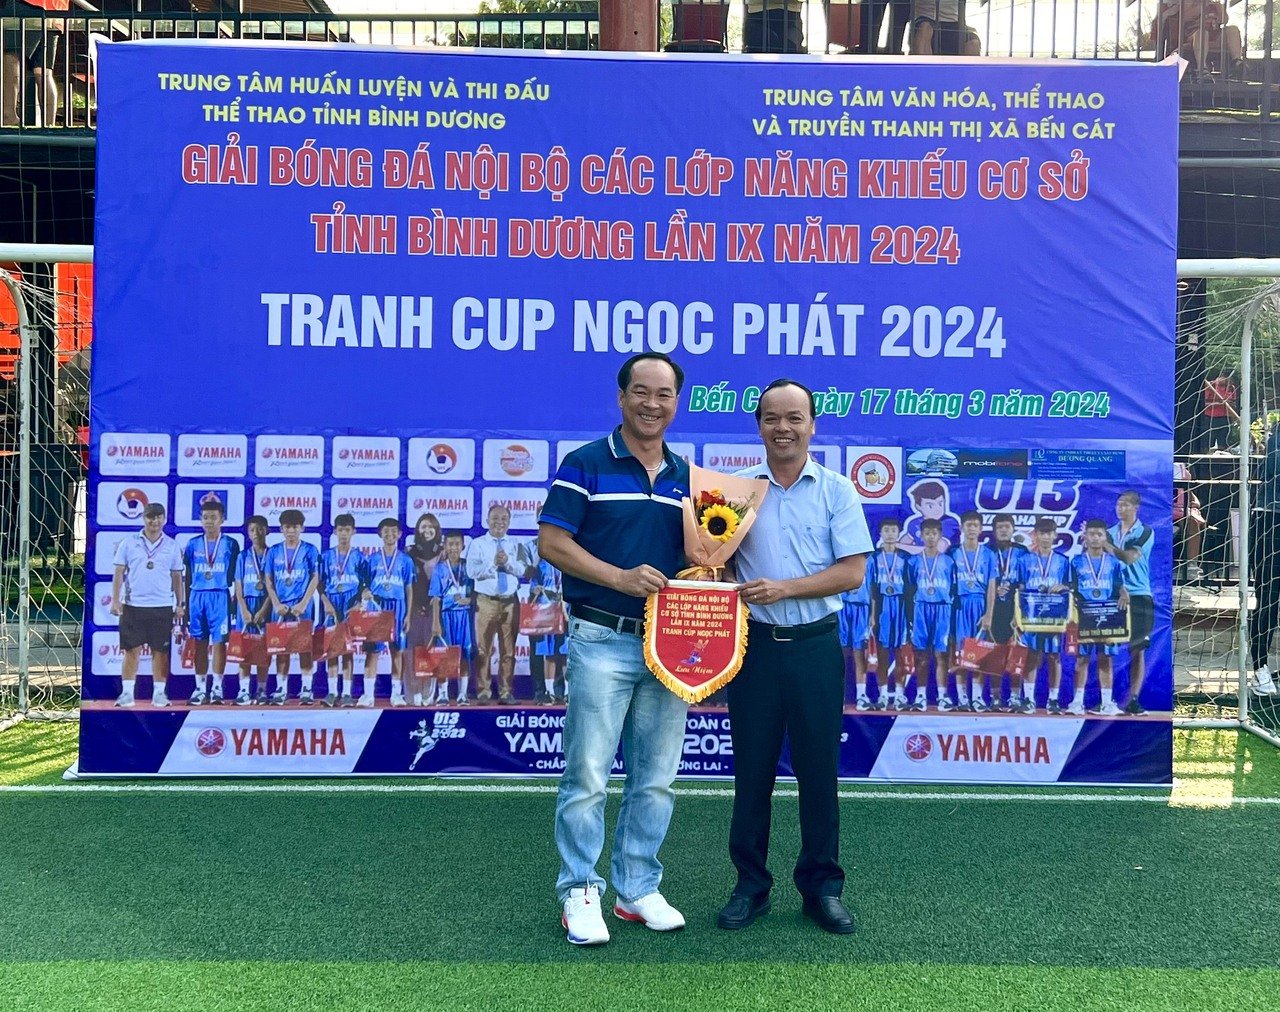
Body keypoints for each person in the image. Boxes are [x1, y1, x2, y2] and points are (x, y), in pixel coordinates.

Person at [539, 351, 691, 946]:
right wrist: (619, 578)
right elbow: (553, 542)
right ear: (622, 397)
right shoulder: (586, 463)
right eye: (641, 392)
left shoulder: (687, 477)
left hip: (669, 646)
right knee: (588, 777)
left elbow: (701, 559)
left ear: (676, 402)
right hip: (601, 637)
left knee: (656, 779)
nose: (653, 404)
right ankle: (580, 890)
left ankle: (636, 888)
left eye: (664, 394)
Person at [717, 378, 872, 936]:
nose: (782, 428)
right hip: (754, 650)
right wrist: (714, 577)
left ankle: (822, 888)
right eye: (771, 418)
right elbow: (717, 563)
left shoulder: (836, 491)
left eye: (793, 418)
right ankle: (750, 887)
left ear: (812, 425)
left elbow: (851, 573)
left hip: (814, 647)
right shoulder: (735, 493)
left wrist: (784, 588)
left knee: (818, 772)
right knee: (752, 772)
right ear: (758, 426)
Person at [111, 502, 184, 707]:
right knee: (131, 650)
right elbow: (118, 573)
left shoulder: (172, 545)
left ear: (164, 519)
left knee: (160, 652)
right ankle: (127, 693)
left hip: (162, 605)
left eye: (159, 517)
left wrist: (180, 603)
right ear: (144, 518)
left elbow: (177, 576)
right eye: (151, 517)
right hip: (133, 604)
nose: (155, 521)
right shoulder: (129, 543)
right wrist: (115, 600)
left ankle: (159, 693)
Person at [1071, 519, 1131, 716]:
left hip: (1107, 617)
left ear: (1105, 538)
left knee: (1105, 659)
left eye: (1099, 534)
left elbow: (1119, 586)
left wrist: (1123, 593)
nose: (1095, 538)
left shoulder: (1113, 563)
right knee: (1082, 659)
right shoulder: (1076, 562)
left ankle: (1106, 703)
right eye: (1092, 534)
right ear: (1085, 537)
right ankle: (1077, 702)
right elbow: (1071, 587)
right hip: (1085, 616)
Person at [183, 496, 239, 706]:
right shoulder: (192, 544)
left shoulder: (231, 544)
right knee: (199, 642)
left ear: (222, 519)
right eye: (205, 517)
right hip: (197, 595)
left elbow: (236, 576)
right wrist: (185, 604)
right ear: (200, 519)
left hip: (220, 595)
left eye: (213, 517)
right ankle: (199, 688)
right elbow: (187, 575)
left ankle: (216, 687)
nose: (209, 521)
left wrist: (234, 600)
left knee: (219, 643)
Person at [467, 503, 524, 705]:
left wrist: (507, 562)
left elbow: (522, 570)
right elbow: (471, 572)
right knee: (483, 649)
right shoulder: (477, 544)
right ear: (487, 521)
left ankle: (506, 692)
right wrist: (493, 563)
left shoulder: (516, 544)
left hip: (510, 601)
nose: (499, 522)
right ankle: (483, 692)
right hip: (486, 601)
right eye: (495, 518)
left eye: (504, 519)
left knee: (508, 651)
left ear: (509, 522)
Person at [263, 508, 320, 705]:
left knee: (305, 648)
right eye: (287, 527)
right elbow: (268, 579)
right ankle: (281, 688)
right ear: (281, 528)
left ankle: (307, 688)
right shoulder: (274, 551)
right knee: (281, 648)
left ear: (302, 528)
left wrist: (303, 603)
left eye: (295, 527)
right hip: (280, 606)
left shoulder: (310, 550)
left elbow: (315, 578)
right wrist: (276, 603)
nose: (291, 531)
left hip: (302, 606)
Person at [1015, 518, 1072, 714]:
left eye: (1049, 533)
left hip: (1053, 616)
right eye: (1042, 533)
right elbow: (1020, 588)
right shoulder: (1024, 560)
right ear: (1035, 535)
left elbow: (1069, 586)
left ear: (1055, 535)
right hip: (1031, 616)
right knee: (1031, 655)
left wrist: (1063, 586)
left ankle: (1053, 700)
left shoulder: (1063, 561)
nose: (1045, 537)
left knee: (1054, 656)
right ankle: (1028, 699)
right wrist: (1017, 616)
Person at [1106, 492, 1156, 713]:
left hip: (1139, 594)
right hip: (1112, 594)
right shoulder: (1108, 532)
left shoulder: (1145, 532)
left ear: (1136, 507)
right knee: (1105, 648)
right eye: (1118, 504)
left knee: (1137, 649)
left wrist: (1105, 545)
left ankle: (1133, 699)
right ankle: (1106, 699)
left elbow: (1128, 558)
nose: (1120, 508)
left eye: (1125, 504)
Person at [358, 517, 415, 707]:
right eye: (386, 531)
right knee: (372, 651)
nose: (390, 534)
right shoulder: (372, 559)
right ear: (380, 534)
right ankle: (368, 695)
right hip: (377, 607)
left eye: (393, 531)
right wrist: (364, 593)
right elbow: (364, 585)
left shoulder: (406, 560)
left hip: (398, 607)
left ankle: (396, 694)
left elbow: (409, 588)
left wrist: (408, 615)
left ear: (399, 534)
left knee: (397, 651)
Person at [907, 518, 956, 711]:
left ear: (940, 536)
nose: (930, 537)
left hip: (943, 609)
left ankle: (943, 696)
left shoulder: (949, 561)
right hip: (921, 608)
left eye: (934, 533)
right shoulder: (913, 561)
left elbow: (954, 588)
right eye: (927, 533)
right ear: (921, 535)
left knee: (942, 654)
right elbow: (910, 588)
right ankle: (921, 696)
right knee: (921, 655)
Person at [950, 510, 996, 711]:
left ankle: (977, 697)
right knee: (960, 652)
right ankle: (962, 698)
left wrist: (989, 614)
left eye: (975, 525)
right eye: (968, 525)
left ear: (981, 529)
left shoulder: (988, 554)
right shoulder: (953, 553)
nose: (971, 529)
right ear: (962, 528)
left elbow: (992, 586)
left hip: (979, 604)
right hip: (959, 605)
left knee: (979, 652)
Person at [320, 513, 364, 707]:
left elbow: (366, 584)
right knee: (331, 649)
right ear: (335, 532)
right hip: (331, 603)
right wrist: (325, 602)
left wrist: (359, 603)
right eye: (340, 530)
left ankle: (346, 693)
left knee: (347, 649)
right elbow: (319, 583)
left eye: (347, 530)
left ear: (353, 532)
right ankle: (331, 692)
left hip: (350, 604)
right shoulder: (326, 556)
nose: (344, 534)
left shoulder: (359, 557)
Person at [1249, 425, 1280, 695]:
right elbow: (1271, 471)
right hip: (1270, 519)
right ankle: (1260, 669)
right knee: (1268, 598)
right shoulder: (1277, 435)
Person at [868, 516, 911, 712]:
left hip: (901, 606)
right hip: (882, 606)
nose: (890, 534)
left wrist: (910, 615)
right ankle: (883, 694)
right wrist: (872, 615)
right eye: (886, 530)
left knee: (901, 652)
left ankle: (900, 695)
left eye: (894, 530)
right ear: (880, 533)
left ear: (899, 533)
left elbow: (911, 588)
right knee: (883, 652)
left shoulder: (906, 558)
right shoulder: (874, 558)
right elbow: (871, 588)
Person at [1, 0, 65, 128]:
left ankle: (8, 116)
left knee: (11, 55)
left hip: (24, 5)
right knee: (43, 71)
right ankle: (48, 125)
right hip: (55, 10)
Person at [987, 514, 1028, 713]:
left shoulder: (1022, 551)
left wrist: (1018, 613)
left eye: (1007, 527)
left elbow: (1024, 582)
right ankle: (995, 698)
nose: (1004, 530)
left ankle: (1014, 697)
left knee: (1016, 655)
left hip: (1015, 610)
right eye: (1000, 527)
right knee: (995, 655)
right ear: (994, 530)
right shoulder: (986, 551)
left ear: (1013, 529)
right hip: (993, 610)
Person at [429, 531, 475, 705]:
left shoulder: (469, 567)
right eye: (450, 544)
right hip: (446, 616)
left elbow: (478, 593)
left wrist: (470, 600)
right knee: (444, 655)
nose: (454, 548)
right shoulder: (439, 568)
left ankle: (463, 694)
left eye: (457, 544)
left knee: (465, 654)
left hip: (465, 616)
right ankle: (443, 694)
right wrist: (435, 622)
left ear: (463, 546)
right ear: (445, 546)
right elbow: (435, 598)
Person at [233, 514, 271, 706]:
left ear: (267, 531)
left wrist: (264, 610)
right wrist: (244, 610)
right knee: (245, 649)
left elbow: (273, 587)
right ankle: (243, 690)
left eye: (260, 529)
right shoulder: (243, 556)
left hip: (266, 605)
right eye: (252, 530)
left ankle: (262, 689)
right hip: (246, 606)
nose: (256, 533)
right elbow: (238, 587)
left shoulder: (273, 554)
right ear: (248, 533)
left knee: (263, 650)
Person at [530, 555, 568, 705]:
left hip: (565, 606)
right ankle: (549, 692)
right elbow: (533, 582)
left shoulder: (568, 559)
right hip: (546, 607)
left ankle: (567, 692)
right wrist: (535, 589)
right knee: (549, 652)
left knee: (565, 652)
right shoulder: (542, 562)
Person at [407, 511, 444, 653]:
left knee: (434, 652)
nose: (427, 530)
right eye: (423, 527)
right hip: (415, 609)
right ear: (417, 530)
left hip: (437, 609)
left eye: (431, 527)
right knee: (414, 651)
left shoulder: (444, 553)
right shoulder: (409, 552)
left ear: (437, 530)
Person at [839, 562, 873, 711]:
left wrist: (872, 615)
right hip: (842, 607)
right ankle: (839, 696)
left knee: (860, 654)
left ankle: (861, 695)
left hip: (862, 607)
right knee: (841, 656)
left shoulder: (870, 561)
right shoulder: (838, 557)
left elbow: (873, 589)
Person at [898, 480, 961, 554]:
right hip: (919, 560)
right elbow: (902, 544)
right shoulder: (914, 523)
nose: (937, 509)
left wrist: (896, 546)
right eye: (930, 506)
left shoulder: (950, 522)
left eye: (940, 503)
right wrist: (896, 546)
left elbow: (938, 549)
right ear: (918, 506)